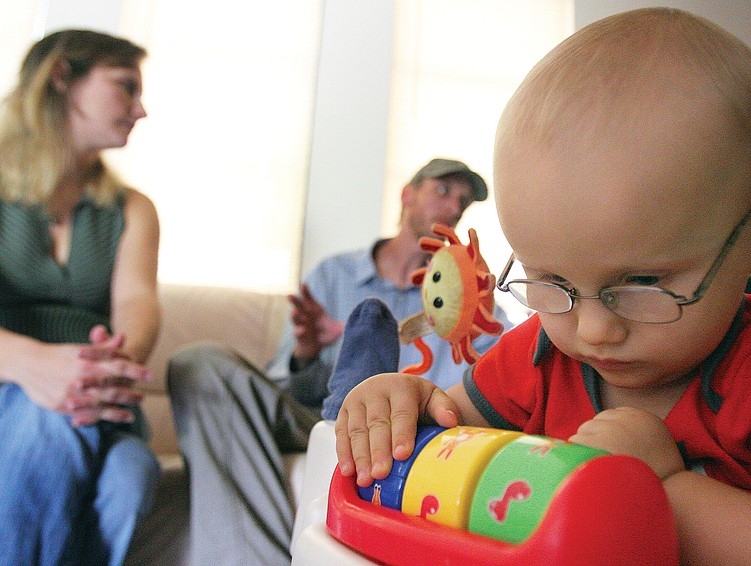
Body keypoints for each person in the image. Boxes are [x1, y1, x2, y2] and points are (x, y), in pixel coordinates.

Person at [335, 8, 751, 564]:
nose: (594, 330)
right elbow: (449, 436)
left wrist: (662, 492)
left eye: (643, 282)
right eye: (552, 281)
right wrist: (405, 409)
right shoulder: (535, 355)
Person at [167, 158, 513, 564]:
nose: (455, 207)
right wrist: (307, 355)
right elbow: (282, 394)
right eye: (443, 191)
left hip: (403, 437)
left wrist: (478, 315)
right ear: (407, 194)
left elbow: (501, 380)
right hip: (319, 420)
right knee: (199, 364)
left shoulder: (471, 307)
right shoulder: (334, 276)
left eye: (464, 201)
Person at [0, 30, 161, 565]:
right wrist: (34, 364)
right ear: (62, 78)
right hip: (10, 385)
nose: (141, 109)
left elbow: (137, 302)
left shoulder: (132, 209)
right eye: (125, 87)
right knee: (52, 418)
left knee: (133, 478)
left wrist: (113, 361)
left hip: (99, 395)